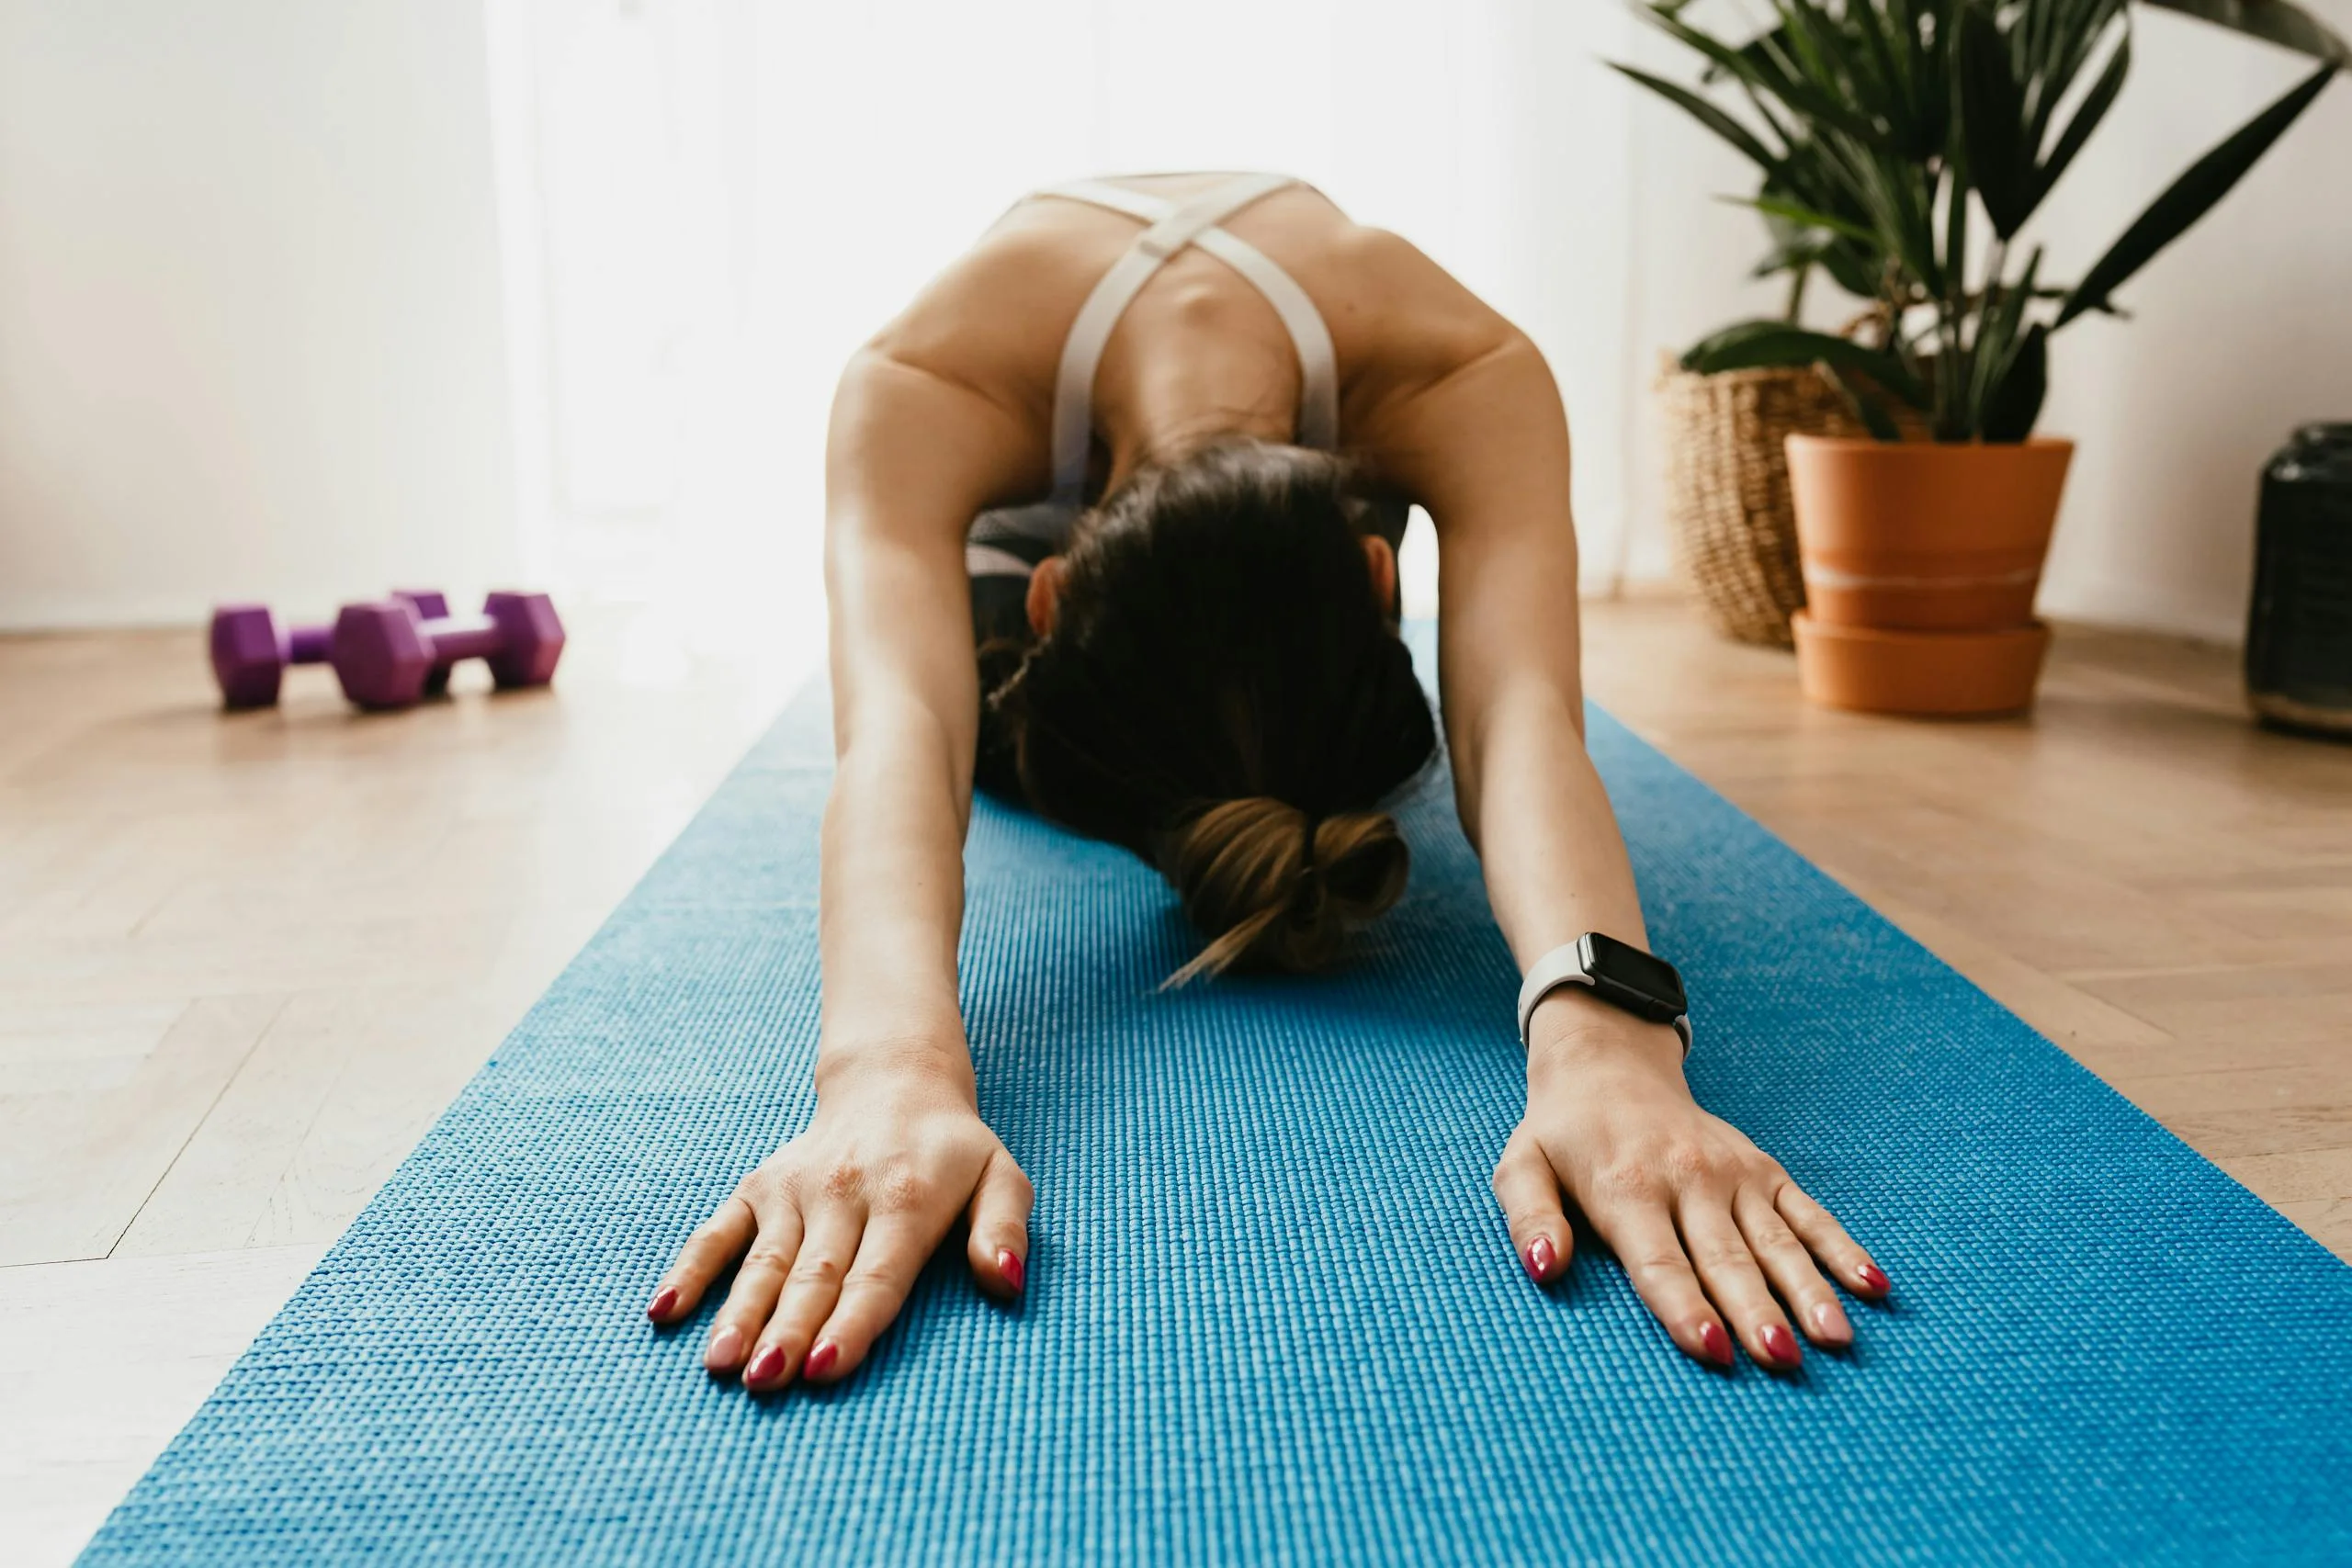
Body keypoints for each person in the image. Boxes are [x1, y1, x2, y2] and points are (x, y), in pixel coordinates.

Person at [643, 171, 1891, 1392]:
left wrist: (1609, 1041)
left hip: (1263, 500)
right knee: (970, 712)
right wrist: (886, 1070)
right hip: (1013, 518)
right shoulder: (925, 379)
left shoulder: (1460, 369)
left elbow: (1520, 717)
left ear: (1379, 579)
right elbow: (902, 734)